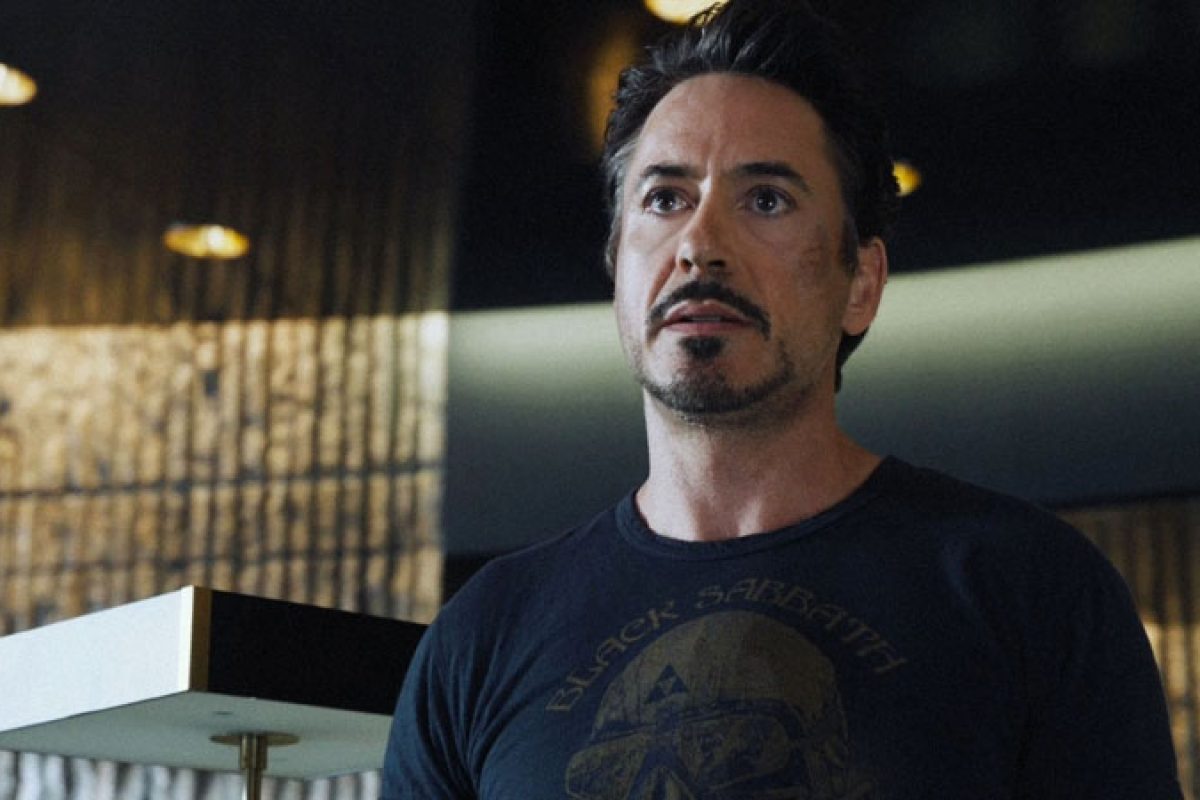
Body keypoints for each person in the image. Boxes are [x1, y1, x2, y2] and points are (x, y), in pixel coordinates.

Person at [382, 0, 1182, 796]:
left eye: (765, 199)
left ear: (860, 284)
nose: (700, 244)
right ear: (618, 267)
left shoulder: (1030, 593)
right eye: (665, 199)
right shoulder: (481, 639)